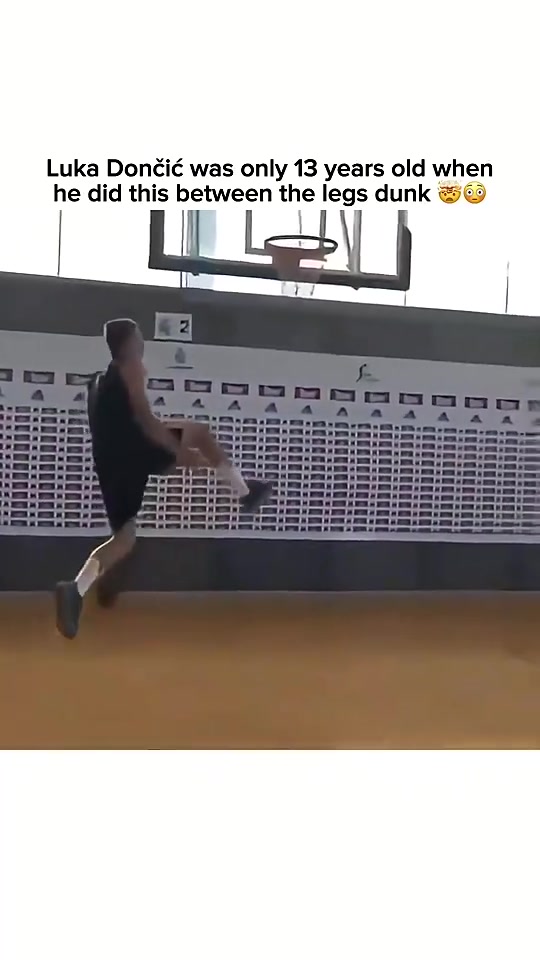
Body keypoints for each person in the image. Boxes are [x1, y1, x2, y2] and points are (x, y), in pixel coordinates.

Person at [55, 318, 273, 639]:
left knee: (124, 538)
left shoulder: (102, 380)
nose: (142, 340)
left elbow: (127, 422)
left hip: (112, 460)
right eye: (138, 335)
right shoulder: (131, 369)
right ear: (130, 343)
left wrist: (170, 443)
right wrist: (176, 450)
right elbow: (146, 421)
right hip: (134, 450)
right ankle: (244, 493)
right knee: (199, 435)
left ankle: (75, 590)